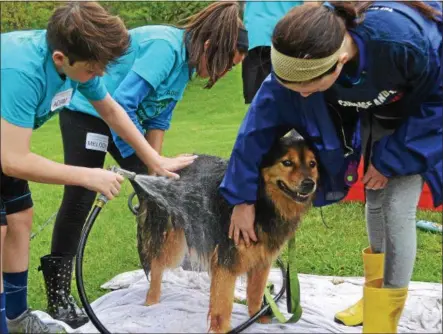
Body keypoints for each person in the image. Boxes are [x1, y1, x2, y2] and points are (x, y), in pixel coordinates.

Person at [219, 1, 442, 333]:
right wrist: (241, 198)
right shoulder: (301, 59)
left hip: (422, 106)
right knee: (375, 195)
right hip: (374, 101)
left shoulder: (405, 44)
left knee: (396, 205)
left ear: (338, 64)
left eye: (306, 88)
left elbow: (437, 106)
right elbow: (256, 130)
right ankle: (374, 296)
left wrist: (392, 160)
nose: (300, 96)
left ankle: (386, 318)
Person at [40, 1, 248, 328]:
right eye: (227, 64)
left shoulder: (185, 66)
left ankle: (163, 263)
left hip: (123, 122)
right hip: (89, 113)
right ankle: (59, 296)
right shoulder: (165, 48)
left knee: (162, 192)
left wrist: (156, 170)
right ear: (210, 47)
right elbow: (123, 103)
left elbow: (159, 117)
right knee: (80, 195)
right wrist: (150, 164)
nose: (224, 73)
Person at [0, 2, 196, 333]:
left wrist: (154, 159)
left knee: (20, 217)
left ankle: (16, 316)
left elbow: (112, 110)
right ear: (61, 59)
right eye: (93, 70)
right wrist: (87, 175)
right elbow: (13, 159)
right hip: (7, 145)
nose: (99, 76)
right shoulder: (23, 71)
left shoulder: (78, 62)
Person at [241, 1, 302, 104]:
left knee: (258, 101)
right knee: (289, 98)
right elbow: (312, 6)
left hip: (256, 33)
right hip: (288, 34)